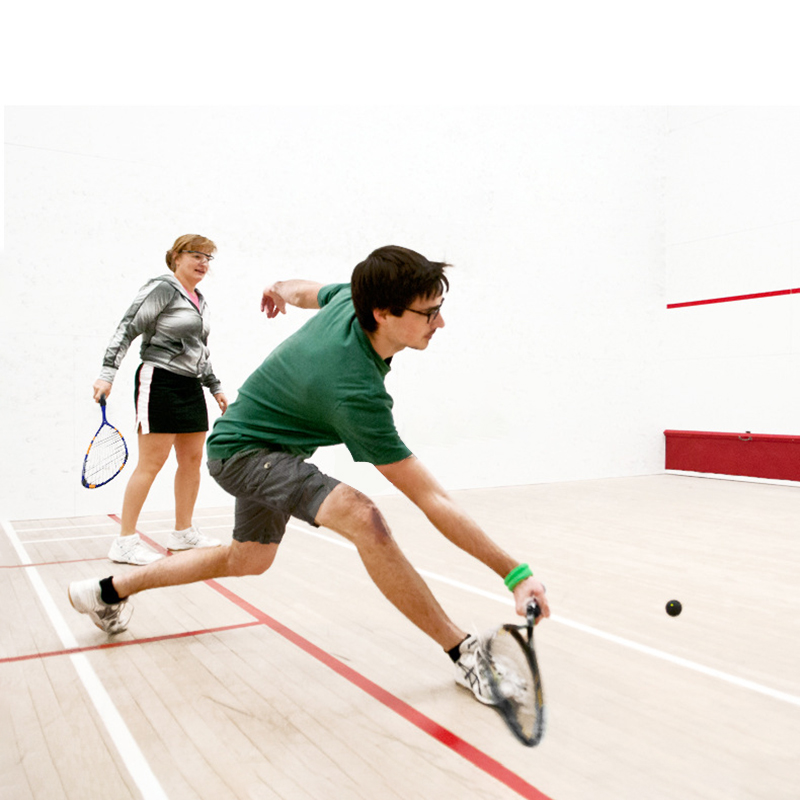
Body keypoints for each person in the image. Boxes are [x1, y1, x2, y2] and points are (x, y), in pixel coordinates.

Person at [70, 245, 549, 703]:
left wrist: (277, 288)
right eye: (428, 313)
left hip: (258, 448)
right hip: (242, 453)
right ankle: (463, 651)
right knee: (363, 517)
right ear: (383, 313)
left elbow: (305, 291)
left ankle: (108, 591)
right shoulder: (354, 392)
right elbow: (433, 499)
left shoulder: (350, 299)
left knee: (248, 560)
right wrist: (515, 573)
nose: (439, 322)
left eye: (440, 307)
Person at [92, 234, 228, 565]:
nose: (202, 263)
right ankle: (124, 542)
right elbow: (127, 328)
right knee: (152, 463)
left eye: (208, 258)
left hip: (191, 385)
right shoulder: (162, 288)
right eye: (196, 255)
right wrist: (107, 373)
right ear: (176, 257)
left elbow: (200, 350)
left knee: (192, 461)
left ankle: (183, 533)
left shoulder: (201, 300)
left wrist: (215, 387)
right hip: (160, 381)